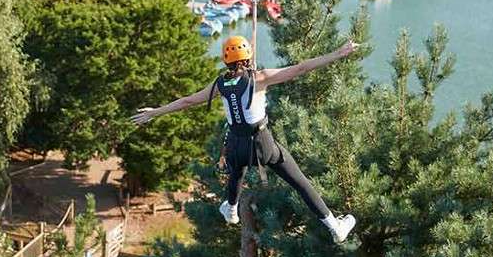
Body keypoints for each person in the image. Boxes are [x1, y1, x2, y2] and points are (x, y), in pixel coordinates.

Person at [130, 36, 359, 243]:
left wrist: (154, 112)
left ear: (225, 60)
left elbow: (187, 102)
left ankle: (231, 209)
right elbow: (300, 69)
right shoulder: (260, 78)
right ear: (248, 59)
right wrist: (337, 54)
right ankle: (334, 226)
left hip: (236, 146)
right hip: (262, 144)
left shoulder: (219, 85)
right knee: (300, 182)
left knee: (236, 170)